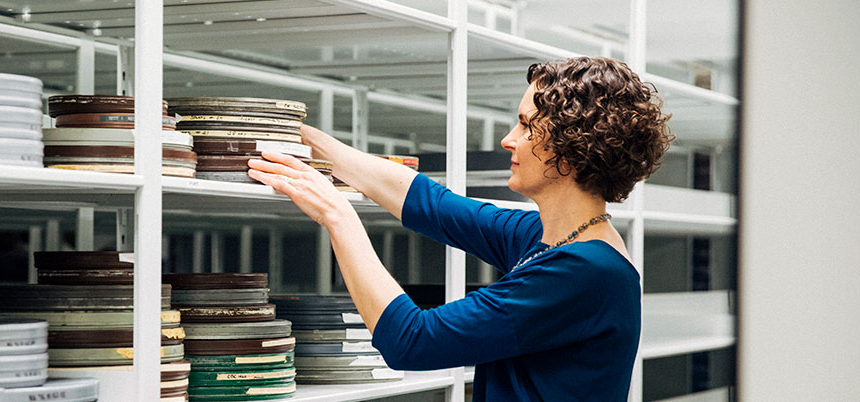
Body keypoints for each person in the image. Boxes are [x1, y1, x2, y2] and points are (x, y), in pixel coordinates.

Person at [247, 56, 673, 401]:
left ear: (572, 150)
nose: (508, 139)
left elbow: (411, 340)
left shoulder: (584, 273)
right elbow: (429, 204)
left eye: (526, 126)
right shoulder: (549, 237)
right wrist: (298, 137)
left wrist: (337, 216)